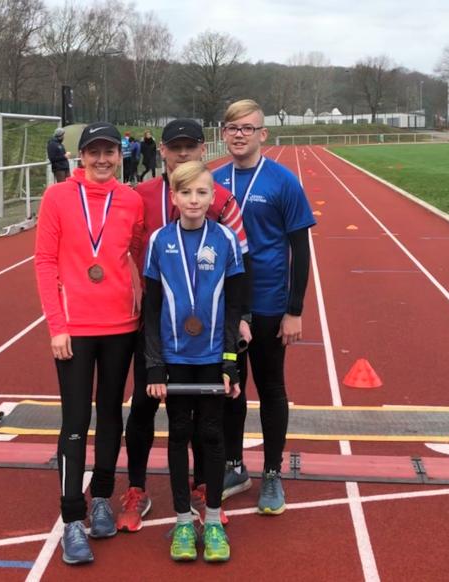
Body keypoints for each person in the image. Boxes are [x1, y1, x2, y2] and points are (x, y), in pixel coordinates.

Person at [117, 118, 250, 533]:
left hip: (209, 332)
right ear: (163, 151)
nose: (182, 154)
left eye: (190, 146)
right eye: (175, 147)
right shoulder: (140, 196)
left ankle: (203, 489)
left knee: (207, 417)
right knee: (144, 406)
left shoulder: (221, 199)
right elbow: (126, 249)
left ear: (203, 150)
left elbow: (237, 270)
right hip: (159, 325)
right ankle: (136, 488)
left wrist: (241, 322)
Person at [34, 122, 145, 565]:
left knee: (111, 414)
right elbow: (45, 262)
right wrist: (56, 325)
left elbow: (138, 252)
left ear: (120, 155)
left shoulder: (131, 200)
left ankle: (101, 497)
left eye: (109, 151)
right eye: (94, 152)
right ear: (81, 156)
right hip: (75, 328)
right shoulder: (57, 197)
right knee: (76, 420)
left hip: (121, 325)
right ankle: (72, 518)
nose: (102, 159)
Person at [212, 99, 315, 514]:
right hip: (227, 307)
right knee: (229, 386)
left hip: (270, 303)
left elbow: (300, 249)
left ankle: (272, 473)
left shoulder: (283, 181)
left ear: (263, 134)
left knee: (271, 387)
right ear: (224, 133)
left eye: (248, 128)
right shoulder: (213, 181)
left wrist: (295, 310)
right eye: (232, 127)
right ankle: (234, 466)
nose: (240, 135)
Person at [144, 160, 244, 562]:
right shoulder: (159, 241)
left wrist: (231, 360)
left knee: (212, 434)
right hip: (175, 357)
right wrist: (154, 364)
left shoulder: (225, 239)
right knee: (179, 433)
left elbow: (234, 305)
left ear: (212, 197)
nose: (194, 200)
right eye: (185, 192)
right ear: (174, 196)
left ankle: (214, 520)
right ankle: (184, 520)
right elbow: (151, 308)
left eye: (202, 192)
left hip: (212, 356)